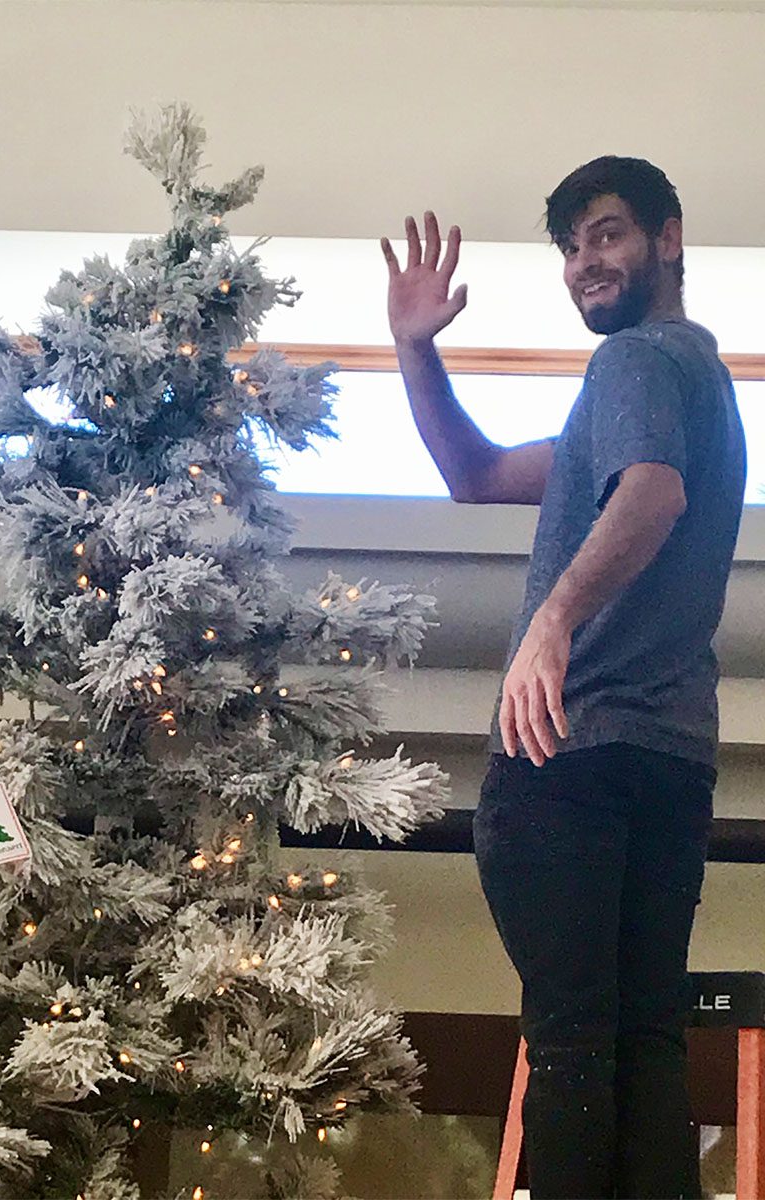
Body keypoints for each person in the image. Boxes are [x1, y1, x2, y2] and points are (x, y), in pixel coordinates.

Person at [381, 156, 747, 1199]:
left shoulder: (633, 361)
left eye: (607, 233)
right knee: (640, 1044)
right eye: (571, 245)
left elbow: (651, 494)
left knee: (574, 1047)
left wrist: (551, 618)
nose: (586, 261)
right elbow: (477, 477)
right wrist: (413, 348)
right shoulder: (695, 381)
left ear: (666, 240)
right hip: (669, 763)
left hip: (568, 753)